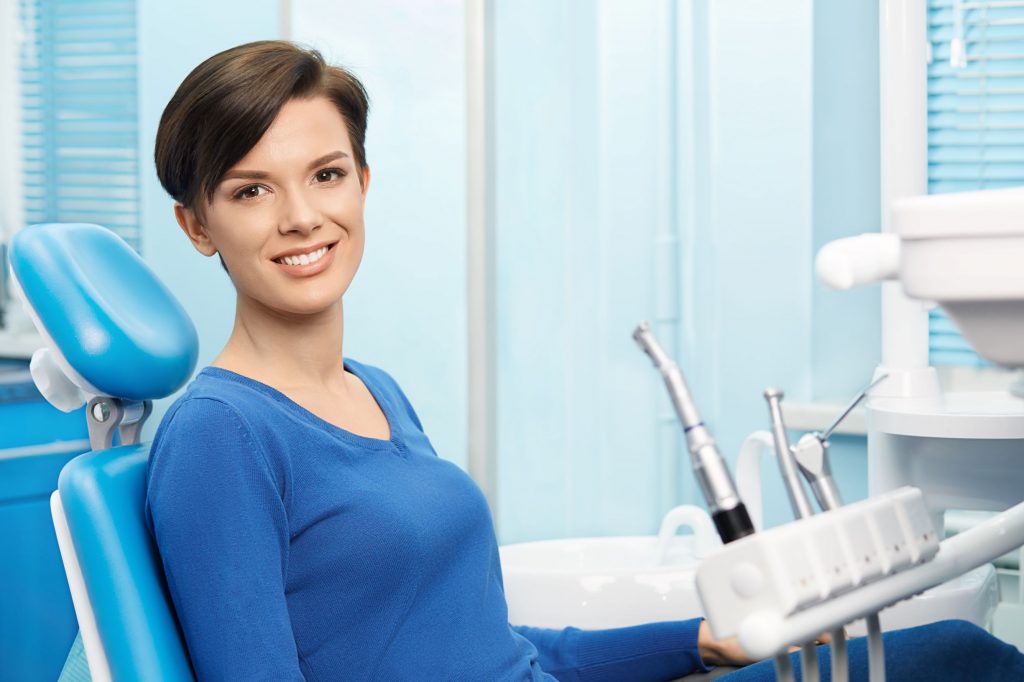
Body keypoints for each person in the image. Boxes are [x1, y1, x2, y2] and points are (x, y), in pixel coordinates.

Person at [146, 40, 1024, 681]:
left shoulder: (375, 393)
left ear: (365, 183)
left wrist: (702, 639)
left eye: (326, 174)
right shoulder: (222, 435)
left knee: (953, 654)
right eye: (251, 190)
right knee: (959, 662)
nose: (301, 216)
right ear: (197, 225)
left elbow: (520, 656)